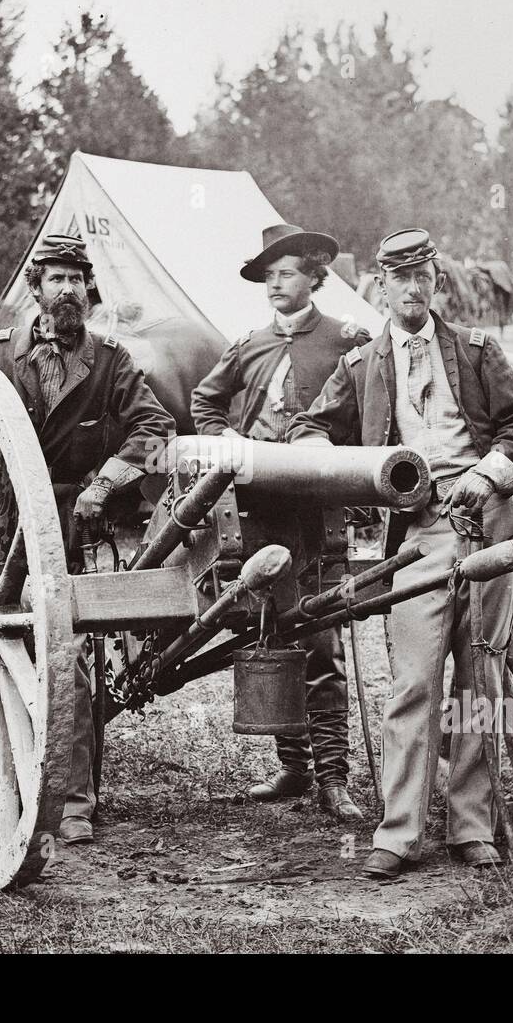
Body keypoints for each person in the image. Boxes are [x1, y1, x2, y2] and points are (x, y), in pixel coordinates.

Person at [287, 229, 513, 875]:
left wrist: (488, 474)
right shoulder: (361, 369)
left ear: (435, 280)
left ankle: (470, 825)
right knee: (412, 681)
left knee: (479, 678)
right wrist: (341, 469)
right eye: (398, 278)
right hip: (418, 537)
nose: (411, 288)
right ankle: (399, 831)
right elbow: (309, 430)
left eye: (421, 275)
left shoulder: (477, 352)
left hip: (488, 522)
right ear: (380, 285)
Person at [0, 234, 174, 845]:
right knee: (2, 655)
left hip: (75, 525)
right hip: (5, 531)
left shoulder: (110, 361)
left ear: (89, 290)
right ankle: (2, 780)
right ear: (35, 288)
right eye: (55, 278)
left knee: (70, 662)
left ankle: (74, 799)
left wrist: (106, 482)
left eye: (76, 279)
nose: (66, 289)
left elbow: (157, 428)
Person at [191, 222, 367, 822]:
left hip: (319, 511)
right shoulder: (246, 345)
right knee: (276, 632)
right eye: (267, 278)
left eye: (285, 274)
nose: (275, 285)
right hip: (261, 510)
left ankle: (334, 778)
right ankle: (293, 766)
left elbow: (369, 411)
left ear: (314, 278)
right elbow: (204, 404)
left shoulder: (348, 339)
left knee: (323, 639)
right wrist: (228, 442)